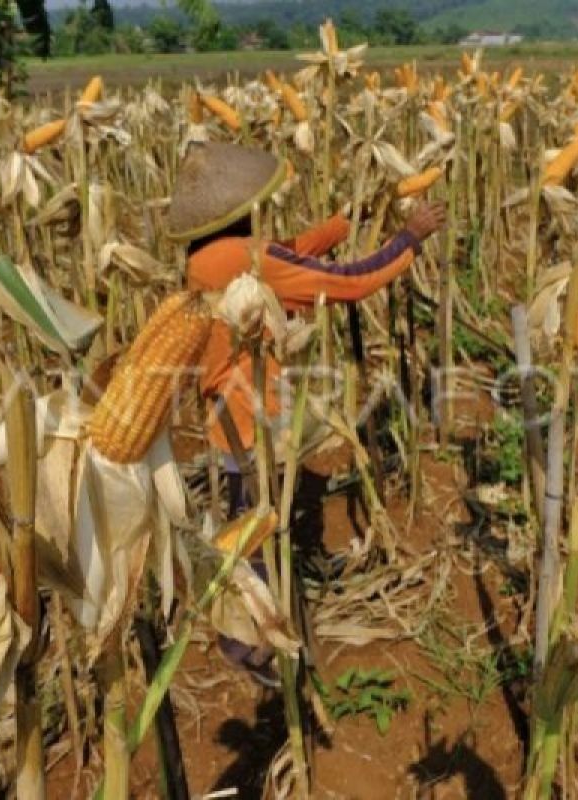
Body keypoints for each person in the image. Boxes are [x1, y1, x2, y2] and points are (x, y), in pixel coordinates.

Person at [164, 142, 446, 682]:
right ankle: (247, 645)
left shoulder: (210, 255)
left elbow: (291, 251)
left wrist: (350, 218)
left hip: (227, 416)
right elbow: (346, 282)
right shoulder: (242, 260)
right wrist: (408, 240)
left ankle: (260, 619)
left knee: (254, 521)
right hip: (249, 421)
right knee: (255, 532)